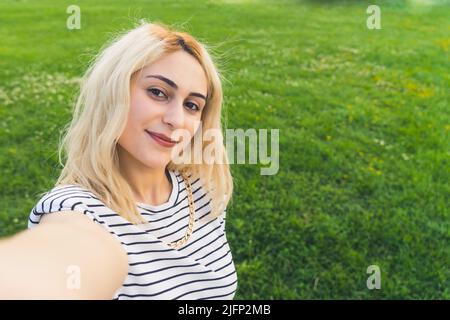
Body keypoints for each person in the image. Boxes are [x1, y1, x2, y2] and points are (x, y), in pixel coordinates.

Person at [0, 21, 237, 299]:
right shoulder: (79, 211)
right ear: (114, 92)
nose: (176, 120)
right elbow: (53, 265)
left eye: (191, 105)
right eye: (158, 92)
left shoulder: (201, 190)